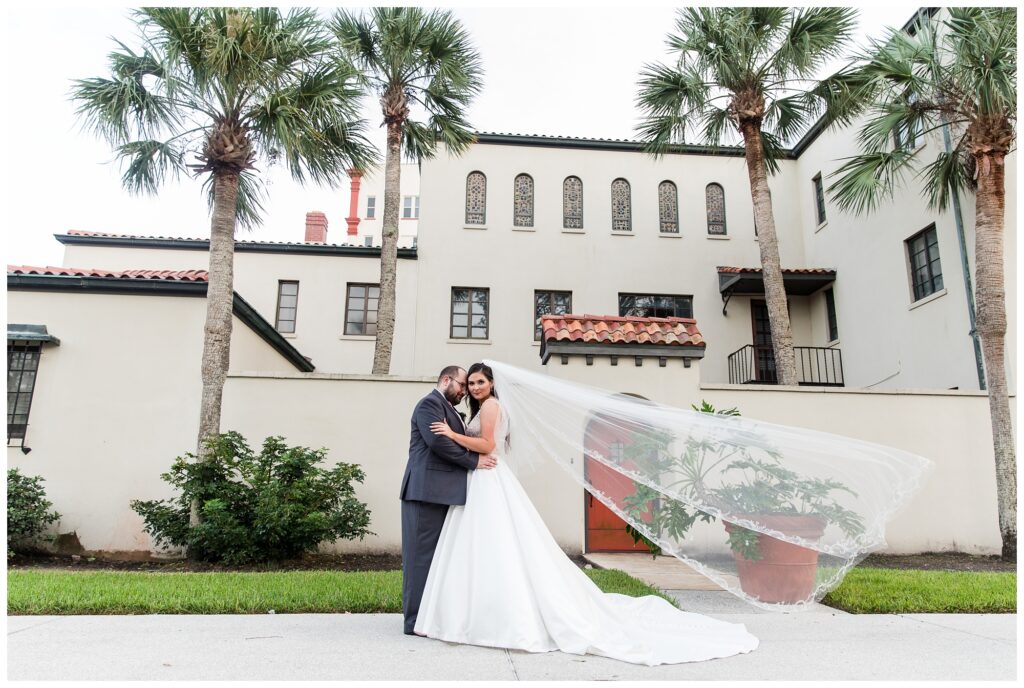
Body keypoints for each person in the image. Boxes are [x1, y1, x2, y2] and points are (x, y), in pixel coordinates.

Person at [414, 362, 759, 666]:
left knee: (494, 544)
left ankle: (493, 615)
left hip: (489, 477)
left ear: (491, 384)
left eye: (479, 382)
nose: (474, 388)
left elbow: (489, 446)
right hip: (485, 480)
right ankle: (483, 609)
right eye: (470, 383)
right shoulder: (483, 406)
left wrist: (453, 434)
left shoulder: (490, 407)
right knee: (489, 545)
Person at [399, 365, 498, 636]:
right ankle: (414, 621)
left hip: (443, 493)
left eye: (470, 385)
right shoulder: (428, 405)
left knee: (438, 559)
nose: (465, 391)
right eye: (463, 385)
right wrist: (473, 461)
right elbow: (438, 443)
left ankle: (431, 617)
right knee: (420, 558)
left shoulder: (451, 408)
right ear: (446, 380)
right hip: (425, 492)